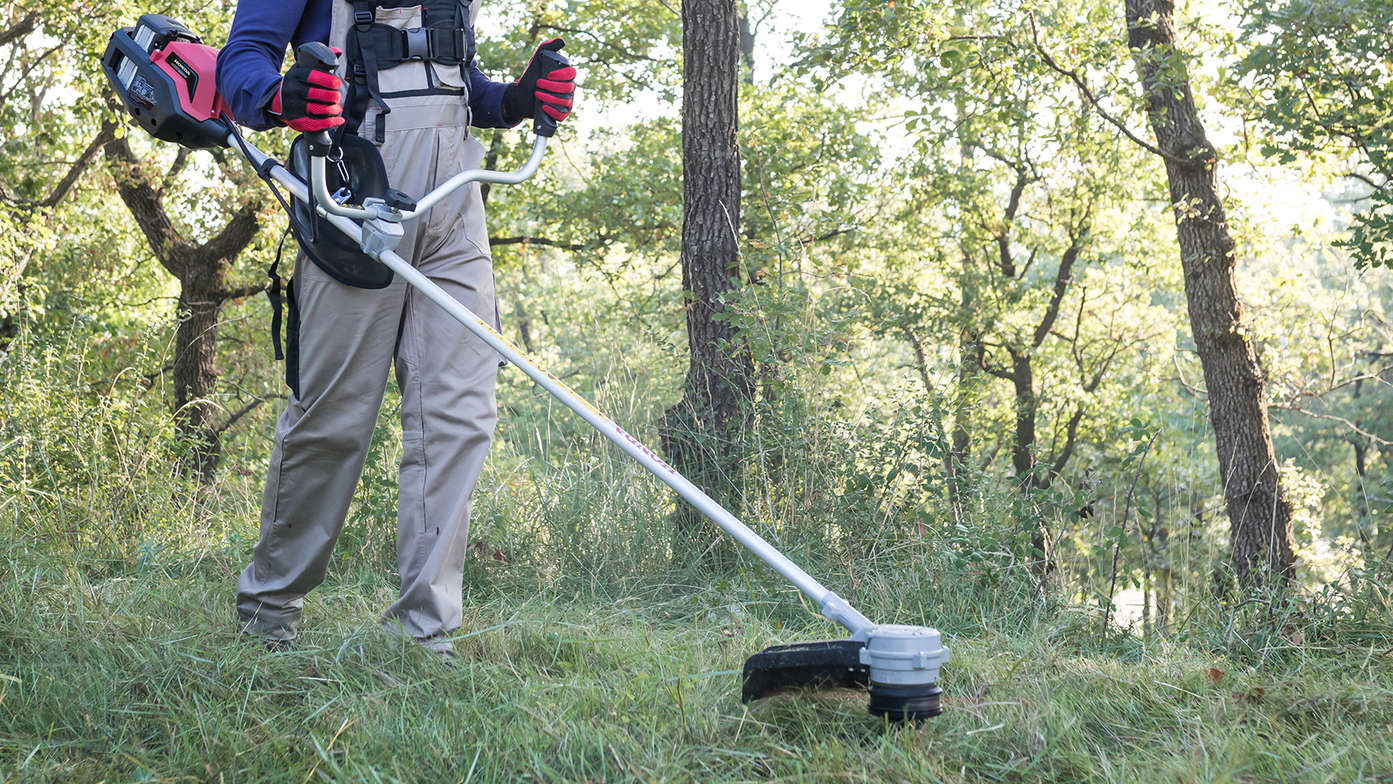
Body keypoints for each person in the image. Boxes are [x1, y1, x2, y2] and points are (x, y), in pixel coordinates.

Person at [215, 0, 575, 657]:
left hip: (454, 202)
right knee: (333, 416)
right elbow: (238, 68)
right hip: (354, 191)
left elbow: (457, 84)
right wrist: (282, 96)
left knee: (458, 413)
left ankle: (424, 631)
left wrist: (517, 100)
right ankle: (269, 612)